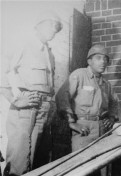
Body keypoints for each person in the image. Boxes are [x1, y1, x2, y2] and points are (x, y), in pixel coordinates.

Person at [0, 11, 62, 176]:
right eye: (51, 25)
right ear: (38, 25)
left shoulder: (50, 53)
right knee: (20, 160)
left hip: (45, 109)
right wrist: (14, 99)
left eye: (56, 27)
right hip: (27, 109)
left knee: (40, 161)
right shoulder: (23, 44)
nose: (54, 30)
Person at [56, 44, 119, 152]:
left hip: (102, 129)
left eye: (105, 59)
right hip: (83, 129)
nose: (103, 62)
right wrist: (71, 122)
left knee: (100, 164)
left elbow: (114, 103)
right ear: (89, 61)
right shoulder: (79, 75)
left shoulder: (106, 84)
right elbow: (62, 97)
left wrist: (111, 118)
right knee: (81, 164)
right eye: (98, 58)